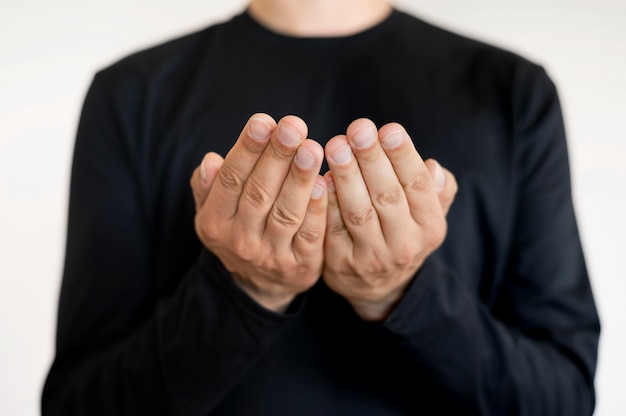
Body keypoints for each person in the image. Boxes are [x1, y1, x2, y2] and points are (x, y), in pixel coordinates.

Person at [42, 0, 600, 414]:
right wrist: (245, 291)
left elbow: (565, 398)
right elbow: (76, 405)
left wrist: (403, 295)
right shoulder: (131, 94)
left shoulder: (512, 92)